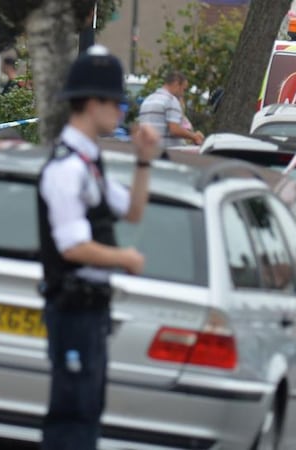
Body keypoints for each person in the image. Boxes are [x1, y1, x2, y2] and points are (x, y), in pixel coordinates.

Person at [37, 45, 159, 450]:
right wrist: (124, 258)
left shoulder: (90, 163)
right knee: (72, 418)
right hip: (72, 308)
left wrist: (143, 162)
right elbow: (71, 246)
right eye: (116, 102)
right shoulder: (67, 169)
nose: (122, 112)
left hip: (90, 309)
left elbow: (134, 212)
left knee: (86, 412)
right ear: (92, 103)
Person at [137, 71, 204, 148]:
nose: (183, 94)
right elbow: (175, 130)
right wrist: (194, 136)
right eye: (183, 89)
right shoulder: (171, 100)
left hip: (148, 150)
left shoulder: (148, 100)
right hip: (166, 153)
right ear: (176, 84)